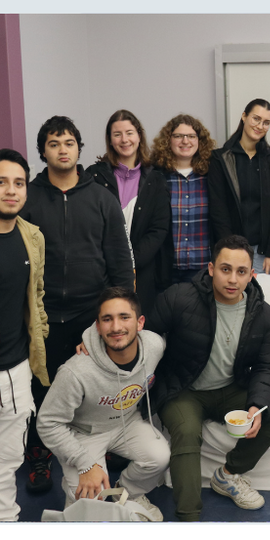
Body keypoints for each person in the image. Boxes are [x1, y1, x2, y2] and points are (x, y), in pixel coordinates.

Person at [20, 116, 135, 493]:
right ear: (43, 152)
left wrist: (117, 313)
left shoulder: (101, 197)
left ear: (79, 149)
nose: (63, 149)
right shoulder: (30, 198)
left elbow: (119, 259)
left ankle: (107, 443)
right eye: (54, 143)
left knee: (94, 385)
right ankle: (39, 455)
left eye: (69, 142)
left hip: (90, 314)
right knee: (42, 388)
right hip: (43, 315)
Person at [146, 235, 270, 521]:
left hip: (230, 388)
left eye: (241, 271)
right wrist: (94, 344)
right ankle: (189, 518)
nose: (232, 279)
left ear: (251, 275)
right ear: (211, 269)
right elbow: (141, 337)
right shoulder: (179, 297)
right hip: (184, 388)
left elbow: (266, 366)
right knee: (186, 434)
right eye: (225, 269)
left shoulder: (261, 313)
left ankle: (228, 475)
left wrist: (256, 403)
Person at [37, 287, 167, 520]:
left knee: (159, 457)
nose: (116, 327)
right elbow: (47, 423)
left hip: (127, 422)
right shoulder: (76, 371)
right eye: (107, 319)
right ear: (97, 327)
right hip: (83, 433)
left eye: (124, 317)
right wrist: (85, 464)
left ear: (140, 323)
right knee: (89, 500)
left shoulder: (155, 346)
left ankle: (127, 493)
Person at [0, 149, 47, 521]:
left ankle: (8, 520)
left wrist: (40, 338)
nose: (10, 191)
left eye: (18, 183)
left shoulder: (32, 237)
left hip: (15, 370)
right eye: (1, 182)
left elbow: (37, 296)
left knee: (10, 458)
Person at [88, 110, 171, 316]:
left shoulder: (156, 179)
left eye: (129, 133)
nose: (124, 140)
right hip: (102, 271)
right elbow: (89, 226)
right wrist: (112, 263)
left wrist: (130, 262)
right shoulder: (94, 176)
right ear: (110, 139)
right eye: (117, 134)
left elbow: (158, 229)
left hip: (142, 274)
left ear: (139, 136)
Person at [208, 98, 270, 275]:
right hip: (232, 253)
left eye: (266, 122)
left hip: (267, 254)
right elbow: (218, 209)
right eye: (256, 119)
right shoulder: (220, 159)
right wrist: (230, 252)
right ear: (244, 117)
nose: (260, 126)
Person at [150, 114, 216, 285]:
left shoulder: (212, 175)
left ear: (200, 141)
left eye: (191, 136)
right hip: (166, 267)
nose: (185, 141)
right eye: (178, 136)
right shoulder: (156, 176)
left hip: (203, 266)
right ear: (168, 141)